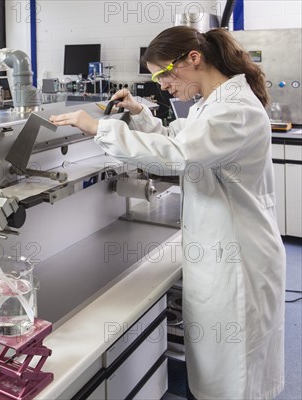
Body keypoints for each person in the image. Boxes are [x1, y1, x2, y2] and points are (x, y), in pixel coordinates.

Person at [50, 26, 285, 400]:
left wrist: (99, 127)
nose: (162, 85)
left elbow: (179, 155)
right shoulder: (215, 103)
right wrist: (140, 113)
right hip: (220, 251)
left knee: (235, 378)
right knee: (217, 371)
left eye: (162, 74)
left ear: (193, 58)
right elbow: (181, 137)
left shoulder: (235, 110)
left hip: (238, 260)